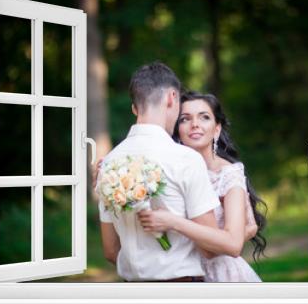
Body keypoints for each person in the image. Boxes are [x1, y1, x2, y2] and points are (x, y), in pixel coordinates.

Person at [96, 62, 224, 282]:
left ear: (135, 108)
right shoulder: (186, 159)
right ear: (172, 98)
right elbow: (211, 249)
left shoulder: (109, 164)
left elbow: (110, 250)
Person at [137, 91, 267, 282]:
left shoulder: (228, 175)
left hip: (221, 276)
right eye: (185, 119)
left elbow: (227, 247)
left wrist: (172, 221)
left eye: (204, 117)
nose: (195, 124)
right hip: (178, 275)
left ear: (216, 129)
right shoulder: (166, 170)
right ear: (177, 129)